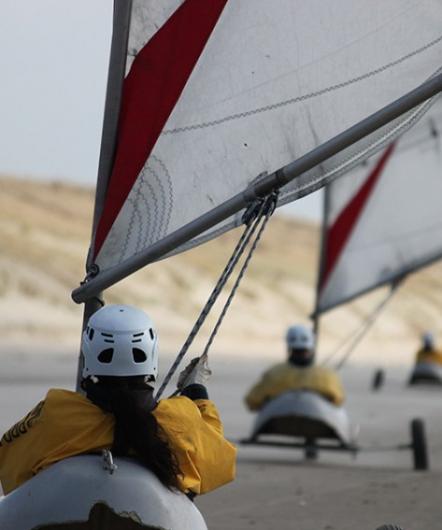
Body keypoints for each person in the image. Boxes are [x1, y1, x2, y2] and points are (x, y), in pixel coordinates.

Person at [0, 304, 236, 496]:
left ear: (89, 352)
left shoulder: (57, 413)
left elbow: (11, 469)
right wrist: (197, 392)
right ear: (151, 354)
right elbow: (217, 463)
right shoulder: (180, 418)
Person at [244, 324, 345, 411]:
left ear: (289, 347)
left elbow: (252, 401)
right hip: (321, 425)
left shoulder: (274, 373)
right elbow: (338, 399)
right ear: (311, 348)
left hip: (278, 425)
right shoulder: (327, 375)